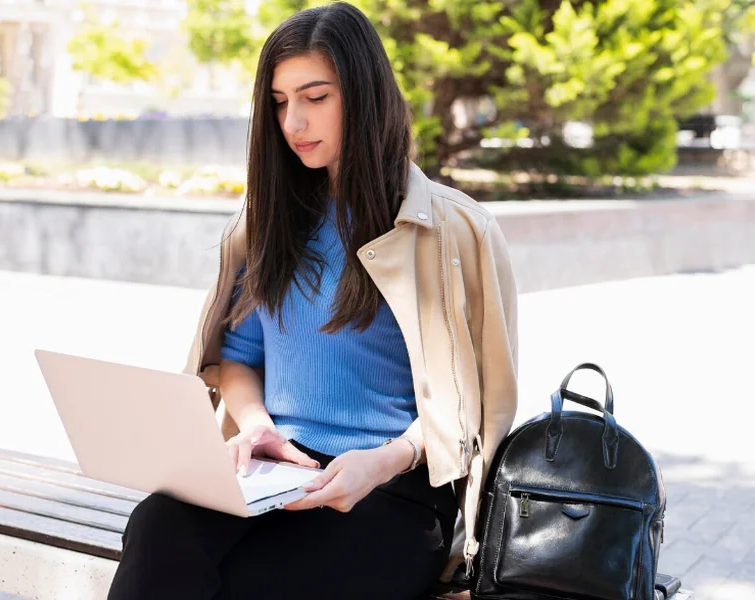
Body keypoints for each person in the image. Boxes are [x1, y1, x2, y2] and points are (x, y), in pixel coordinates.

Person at [107, 3, 518, 599]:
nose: (293, 122)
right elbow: (238, 358)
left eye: (315, 96)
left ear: (365, 95)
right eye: (279, 102)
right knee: (157, 525)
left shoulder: (454, 230)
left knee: (247, 581)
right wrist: (257, 427)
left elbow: (475, 408)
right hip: (279, 474)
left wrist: (385, 460)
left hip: (392, 490)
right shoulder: (272, 218)